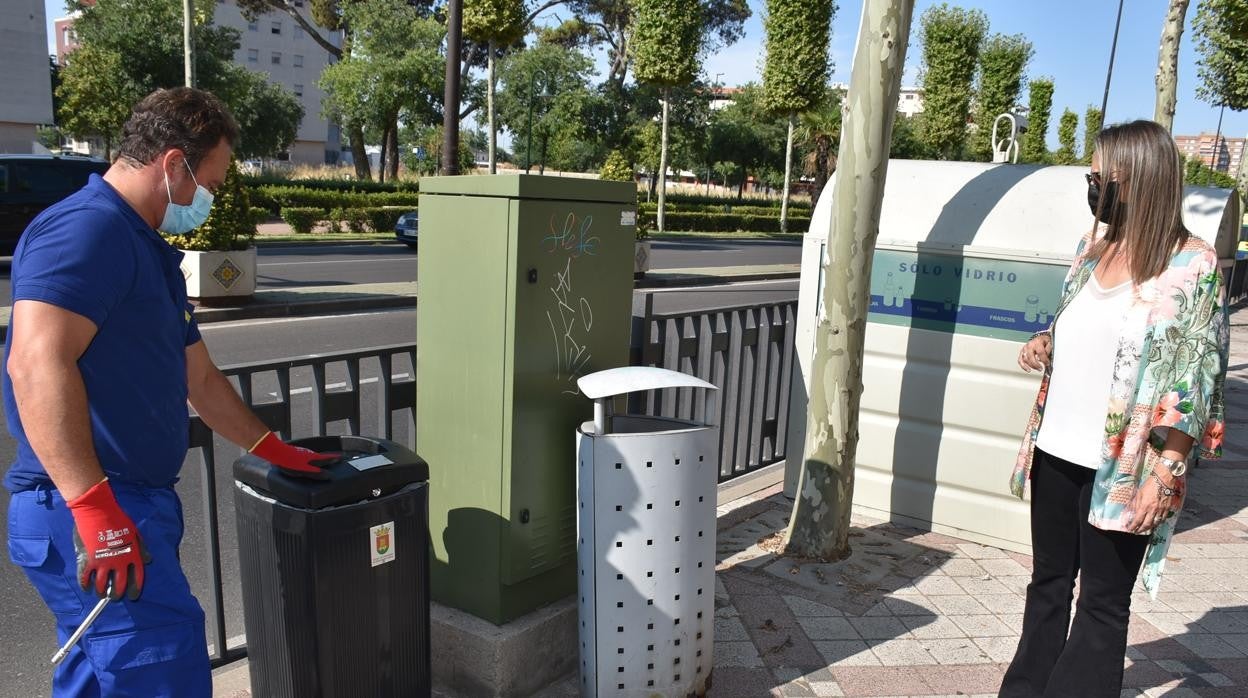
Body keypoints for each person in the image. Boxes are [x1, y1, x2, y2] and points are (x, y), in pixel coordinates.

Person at [4, 88, 340, 697]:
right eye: (208, 180)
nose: (205, 197)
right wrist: (96, 511)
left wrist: (273, 448)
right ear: (173, 164)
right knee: (164, 672)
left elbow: (202, 381)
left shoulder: (143, 247)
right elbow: (35, 363)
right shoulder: (86, 232)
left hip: (125, 505)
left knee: (99, 675)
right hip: (92, 508)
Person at [999, 119, 1230, 697]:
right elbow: (1082, 328)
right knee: (1049, 583)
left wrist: (1166, 473)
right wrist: (1047, 342)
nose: (1093, 184)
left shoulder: (1191, 266)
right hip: (1056, 448)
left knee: (1102, 604)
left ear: (1138, 179)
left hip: (1127, 465)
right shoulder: (1091, 248)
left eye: (1101, 175)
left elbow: (1195, 384)